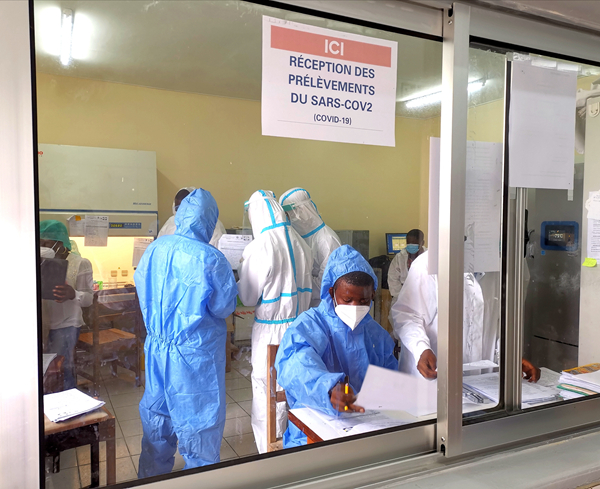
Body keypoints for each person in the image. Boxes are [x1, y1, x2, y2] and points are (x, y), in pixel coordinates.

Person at [135, 189, 238, 477]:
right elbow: (223, 307)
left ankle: (152, 480)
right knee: (199, 425)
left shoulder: (155, 249)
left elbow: (142, 287)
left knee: (157, 417)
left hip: (157, 348)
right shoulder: (211, 258)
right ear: (209, 220)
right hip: (194, 355)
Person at [275, 245, 397, 448]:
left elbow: (390, 377)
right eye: (347, 300)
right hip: (314, 430)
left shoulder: (376, 334)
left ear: (373, 295)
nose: (355, 307)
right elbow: (296, 364)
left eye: (363, 301)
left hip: (368, 425)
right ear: (332, 292)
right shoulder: (310, 325)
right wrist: (329, 389)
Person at [237, 189, 313, 454]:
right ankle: (294, 448)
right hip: (300, 328)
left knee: (267, 394)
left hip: (270, 331)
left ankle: (270, 452)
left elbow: (248, 297)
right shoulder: (301, 242)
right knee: (294, 391)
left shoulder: (260, 246)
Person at [391, 251, 540, 381]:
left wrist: (509, 356)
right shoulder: (429, 264)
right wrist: (421, 349)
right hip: (432, 379)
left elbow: (500, 323)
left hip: (482, 381)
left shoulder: (502, 266)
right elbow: (407, 315)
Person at [40, 220, 94, 390]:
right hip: (43, 323)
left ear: (60, 243)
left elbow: (89, 299)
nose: (42, 247)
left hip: (66, 325)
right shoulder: (41, 262)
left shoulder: (80, 263)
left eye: (46, 243)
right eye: (40, 243)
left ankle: (69, 398)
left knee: (63, 368)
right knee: (46, 369)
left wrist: (73, 294)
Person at [279, 188, 341, 307]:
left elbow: (327, 282)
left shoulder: (327, 239)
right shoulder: (300, 237)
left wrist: (297, 282)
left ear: (303, 210)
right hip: (305, 304)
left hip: (321, 306)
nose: (289, 218)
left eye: (290, 213)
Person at [157, 186, 226, 248]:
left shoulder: (212, 224)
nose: (180, 213)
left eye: (183, 208)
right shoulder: (171, 222)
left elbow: (218, 249)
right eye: (177, 208)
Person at [387, 229, 426, 304]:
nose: (411, 246)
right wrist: (403, 296)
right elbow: (393, 279)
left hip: (424, 297)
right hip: (402, 297)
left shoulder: (429, 257)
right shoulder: (400, 257)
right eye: (408, 243)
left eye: (414, 244)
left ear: (422, 243)